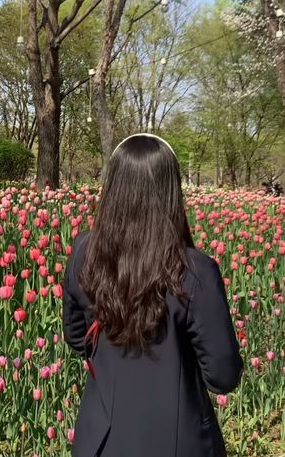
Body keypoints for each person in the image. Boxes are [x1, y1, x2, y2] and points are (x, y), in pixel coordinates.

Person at [62, 133, 243, 457]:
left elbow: (77, 338)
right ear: (171, 191)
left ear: (113, 187)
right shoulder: (195, 271)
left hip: (100, 440)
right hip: (178, 441)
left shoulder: (84, 253)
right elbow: (222, 376)